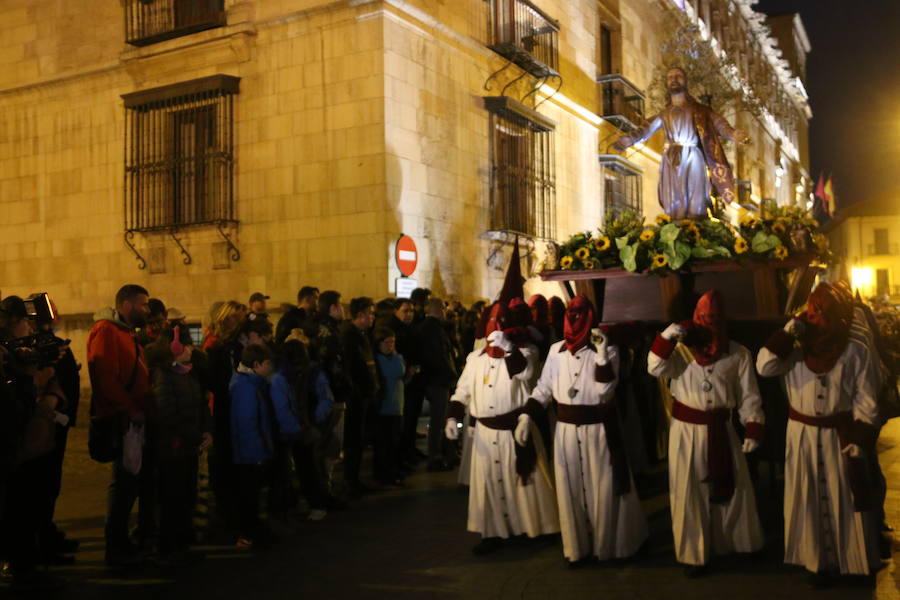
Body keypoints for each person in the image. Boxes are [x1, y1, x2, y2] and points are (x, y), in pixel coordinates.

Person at [756, 282, 881, 585]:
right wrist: (788, 332)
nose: (818, 321)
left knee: (845, 498)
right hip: (803, 438)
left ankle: (850, 562)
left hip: (841, 436)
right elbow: (765, 366)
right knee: (808, 495)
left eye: (825, 313)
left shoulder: (855, 349)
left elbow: (868, 399)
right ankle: (817, 562)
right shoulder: (795, 350)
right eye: (813, 313)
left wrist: (860, 441)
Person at [647, 290, 764, 577]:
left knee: (733, 487)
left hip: (722, 429)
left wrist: (752, 427)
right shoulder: (681, 352)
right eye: (703, 318)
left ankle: (739, 544)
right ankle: (693, 554)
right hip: (686, 433)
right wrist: (666, 337)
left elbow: (749, 395)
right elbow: (654, 367)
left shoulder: (738, 353)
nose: (708, 323)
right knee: (689, 491)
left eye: (714, 318)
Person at [526, 295, 647, 566]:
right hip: (566, 431)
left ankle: (610, 546)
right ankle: (577, 548)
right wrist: (527, 415)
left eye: (581, 314)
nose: (574, 319)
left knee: (603, 487)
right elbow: (544, 388)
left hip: (598, 431)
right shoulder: (556, 351)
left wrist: (602, 354)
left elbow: (605, 391)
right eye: (571, 313)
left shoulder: (607, 349)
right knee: (571, 490)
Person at [445, 303, 559, 555]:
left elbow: (525, 373)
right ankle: (494, 531)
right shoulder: (474, 359)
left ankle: (534, 528)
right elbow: (461, 391)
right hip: (485, 434)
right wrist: (452, 418)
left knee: (524, 483)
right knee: (491, 485)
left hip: (515, 430)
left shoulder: (526, 352)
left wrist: (509, 349)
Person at [612, 67, 749, 219]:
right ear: (666, 83)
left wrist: (732, 133)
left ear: (686, 81)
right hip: (670, 160)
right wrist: (629, 139)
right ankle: (674, 230)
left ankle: (696, 230)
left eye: (678, 76)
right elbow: (645, 130)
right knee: (672, 202)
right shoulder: (664, 114)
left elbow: (719, 124)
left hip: (693, 158)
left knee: (695, 201)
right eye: (670, 77)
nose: (674, 79)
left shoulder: (700, 110)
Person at [86, 284, 153, 567]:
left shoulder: (124, 332)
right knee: (123, 485)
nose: (147, 310)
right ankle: (116, 548)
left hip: (132, 419)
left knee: (130, 484)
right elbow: (105, 377)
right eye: (144, 304)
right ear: (126, 305)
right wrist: (130, 409)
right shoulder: (107, 331)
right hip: (123, 420)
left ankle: (123, 543)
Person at [146, 324, 212, 566]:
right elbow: (168, 414)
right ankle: (168, 548)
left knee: (186, 496)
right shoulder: (163, 375)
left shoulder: (190, 372)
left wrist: (206, 431)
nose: (192, 349)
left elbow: (201, 403)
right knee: (171, 498)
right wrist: (196, 436)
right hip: (173, 448)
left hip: (188, 445)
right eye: (187, 344)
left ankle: (184, 544)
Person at [230, 344, 276, 548]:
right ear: (256, 365)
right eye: (267, 364)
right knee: (249, 495)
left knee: (252, 494)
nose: (270, 368)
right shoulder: (245, 386)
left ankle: (253, 531)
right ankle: (248, 534)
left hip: (252, 450)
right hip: (250, 452)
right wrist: (258, 452)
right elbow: (246, 423)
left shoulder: (250, 383)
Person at [339, 297, 378, 496]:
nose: (373, 317)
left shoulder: (360, 334)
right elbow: (354, 366)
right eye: (370, 313)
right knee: (353, 439)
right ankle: (349, 481)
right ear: (360, 314)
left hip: (363, 394)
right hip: (355, 396)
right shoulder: (350, 335)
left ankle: (354, 479)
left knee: (358, 439)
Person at [415, 298, 458, 471]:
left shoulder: (433, 328)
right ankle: (435, 456)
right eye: (443, 308)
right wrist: (450, 374)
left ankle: (446, 453)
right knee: (438, 420)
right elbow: (437, 357)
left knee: (441, 419)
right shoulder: (431, 329)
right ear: (437, 309)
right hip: (437, 381)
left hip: (437, 379)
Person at [373, 328, 408, 488]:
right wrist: (398, 357)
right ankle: (384, 476)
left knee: (394, 443)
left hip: (396, 406)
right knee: (385, 445)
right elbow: (398, 371)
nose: (390, 346)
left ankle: (392, 473)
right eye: (386, 342)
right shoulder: (380, 360)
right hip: (384, 408)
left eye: (392, 342)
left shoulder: (395, 357)